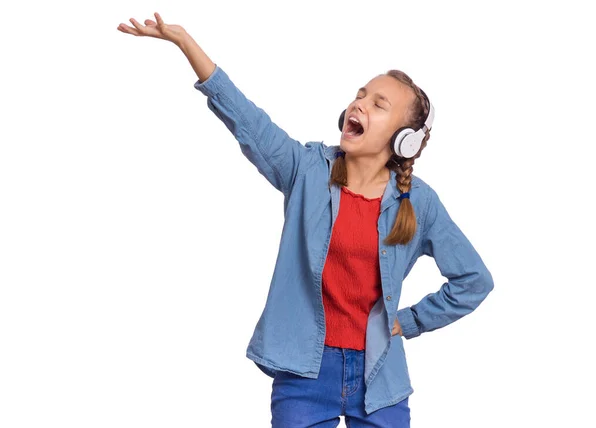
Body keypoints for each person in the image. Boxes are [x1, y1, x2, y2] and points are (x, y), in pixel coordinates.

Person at [118, 12, 494, 428]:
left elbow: (473, 280)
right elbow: (248, 121)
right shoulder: (307, 171)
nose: (358, 104)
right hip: (303, 372)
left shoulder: (419, 203)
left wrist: (411, 321)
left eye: (377, 104)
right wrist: (185, 43)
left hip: (380, 375)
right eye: (360, 95)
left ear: (404, 139)